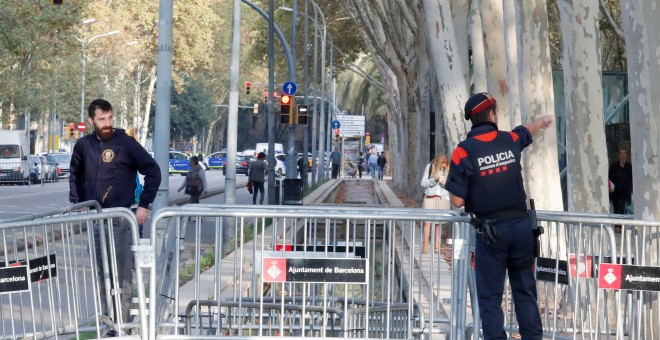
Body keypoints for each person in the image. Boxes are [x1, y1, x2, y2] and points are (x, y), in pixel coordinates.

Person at [444, 92, 552, 340]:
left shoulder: (463, 151)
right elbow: (526, 130)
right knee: (525, 292)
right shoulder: (509, 139)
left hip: (492, 233)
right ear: (491, 114)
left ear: (473, 119)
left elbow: (457, 201)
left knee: (490, 298)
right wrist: (542, 121)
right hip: (522, 229)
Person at [69, 98, 161, 329]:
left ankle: (123, 326)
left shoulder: (126, 143)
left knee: (121, 276)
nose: (107, 123)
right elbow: (74, 175)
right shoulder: (83, 145)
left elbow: (153, 170)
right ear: (91, 121)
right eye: (101, 119)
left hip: (120, 220)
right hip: (95, 220)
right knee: (102, 274)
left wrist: (144, 204)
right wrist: (78, 203)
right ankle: (108, 324)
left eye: (110, 118)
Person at [420, 154, 450, 254]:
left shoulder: (448, 170)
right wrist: (434, 180)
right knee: (427, 223)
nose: (443, 167)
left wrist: (444, 183)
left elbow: (451, 185)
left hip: (443, 198)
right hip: (429, 198)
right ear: (438, 163)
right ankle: (425, 245)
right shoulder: (430, 167)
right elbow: (423, 183)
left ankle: (437, 245)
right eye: (441, 165)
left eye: (444, 166)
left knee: (439, 224)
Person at [608, 148, 633, 215]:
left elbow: (632, 179)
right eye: (621, 153)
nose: (622, 155)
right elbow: (609, 178)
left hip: (625, 192)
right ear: (619, 155)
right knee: (616, 209)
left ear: (626, 155)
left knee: (622, 208)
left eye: (624, 153)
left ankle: (621, 225)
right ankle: (616, 225)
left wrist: (631, 190)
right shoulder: (614, 166)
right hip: (615, 192)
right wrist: (610, 188)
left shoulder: (629, 167)